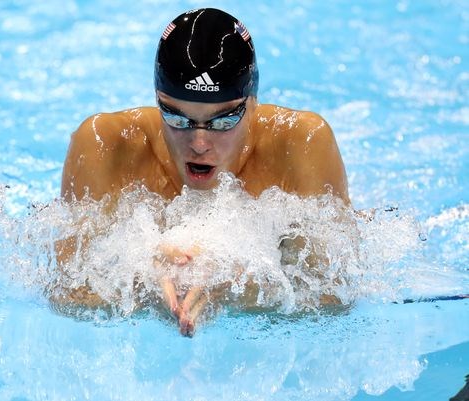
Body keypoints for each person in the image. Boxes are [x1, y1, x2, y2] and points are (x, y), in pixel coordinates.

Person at [55, 8, 350, 336]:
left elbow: (335, 294)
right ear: (157, 100)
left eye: (222, 121)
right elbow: (66, 293)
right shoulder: (105, 146)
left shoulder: (301, 144)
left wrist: (234, 288)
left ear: (253, 103)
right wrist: (142, 279)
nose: (198, 143)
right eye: (177, 118)